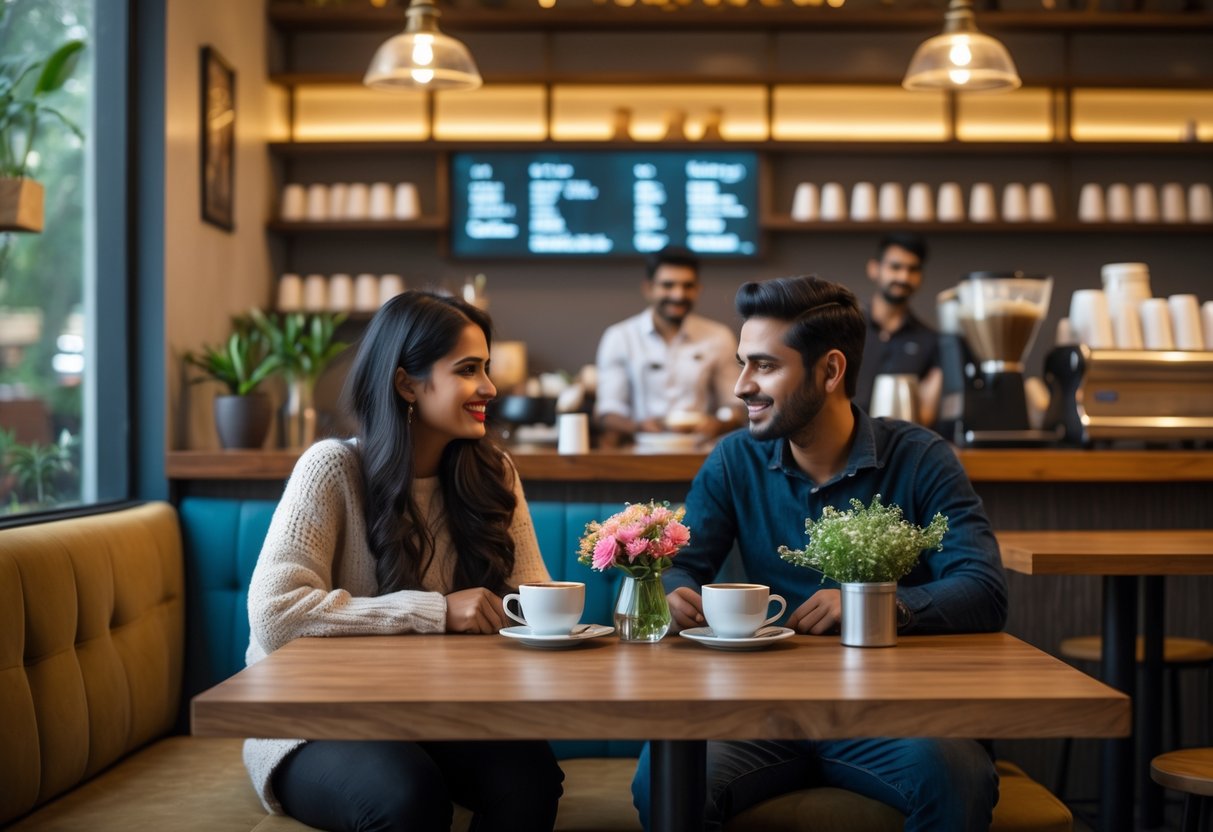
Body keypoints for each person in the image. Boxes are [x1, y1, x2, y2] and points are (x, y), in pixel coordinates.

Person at [631, 275, 1008, 832]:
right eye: (742, 363)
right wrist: (673, 588)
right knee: (662, 786)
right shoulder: (735, 460)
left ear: (830, 371)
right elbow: (686, 560)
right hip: (759, 712)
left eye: (763, 366)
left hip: (888, 715)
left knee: (956, 780)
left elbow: (984, 589)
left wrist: (875, 607)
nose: (740, 386)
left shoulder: (921, 458)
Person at [242, 291, 564, 832]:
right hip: (315, 716)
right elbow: (275, 616)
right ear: (406, 382)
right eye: (468, 370)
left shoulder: (494, 474)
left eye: (485, 368)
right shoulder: (331, 469)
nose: (489, 387)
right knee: (408, 799)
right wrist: (433, 611)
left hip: (438, 711)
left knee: (530, 783)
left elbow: (530, 594)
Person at [594, 245, 742, 444]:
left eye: (687, 286)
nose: (678, 295)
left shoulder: (719, 336)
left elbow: (735, 404)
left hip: (701, 451)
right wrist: (638, 426)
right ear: (649, 288)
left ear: (698, 290)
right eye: (668, 285)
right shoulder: (619, 337)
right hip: (641, 451)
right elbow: (608, 411)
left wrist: (720, 422)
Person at [854, 233, 943, 428]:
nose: (903, 277)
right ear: (874, 269)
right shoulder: (847, 328)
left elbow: (926, 416)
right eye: (895, 267)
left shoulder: (930, 341)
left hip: (900, 447)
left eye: (913, 269)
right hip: (842, 444)